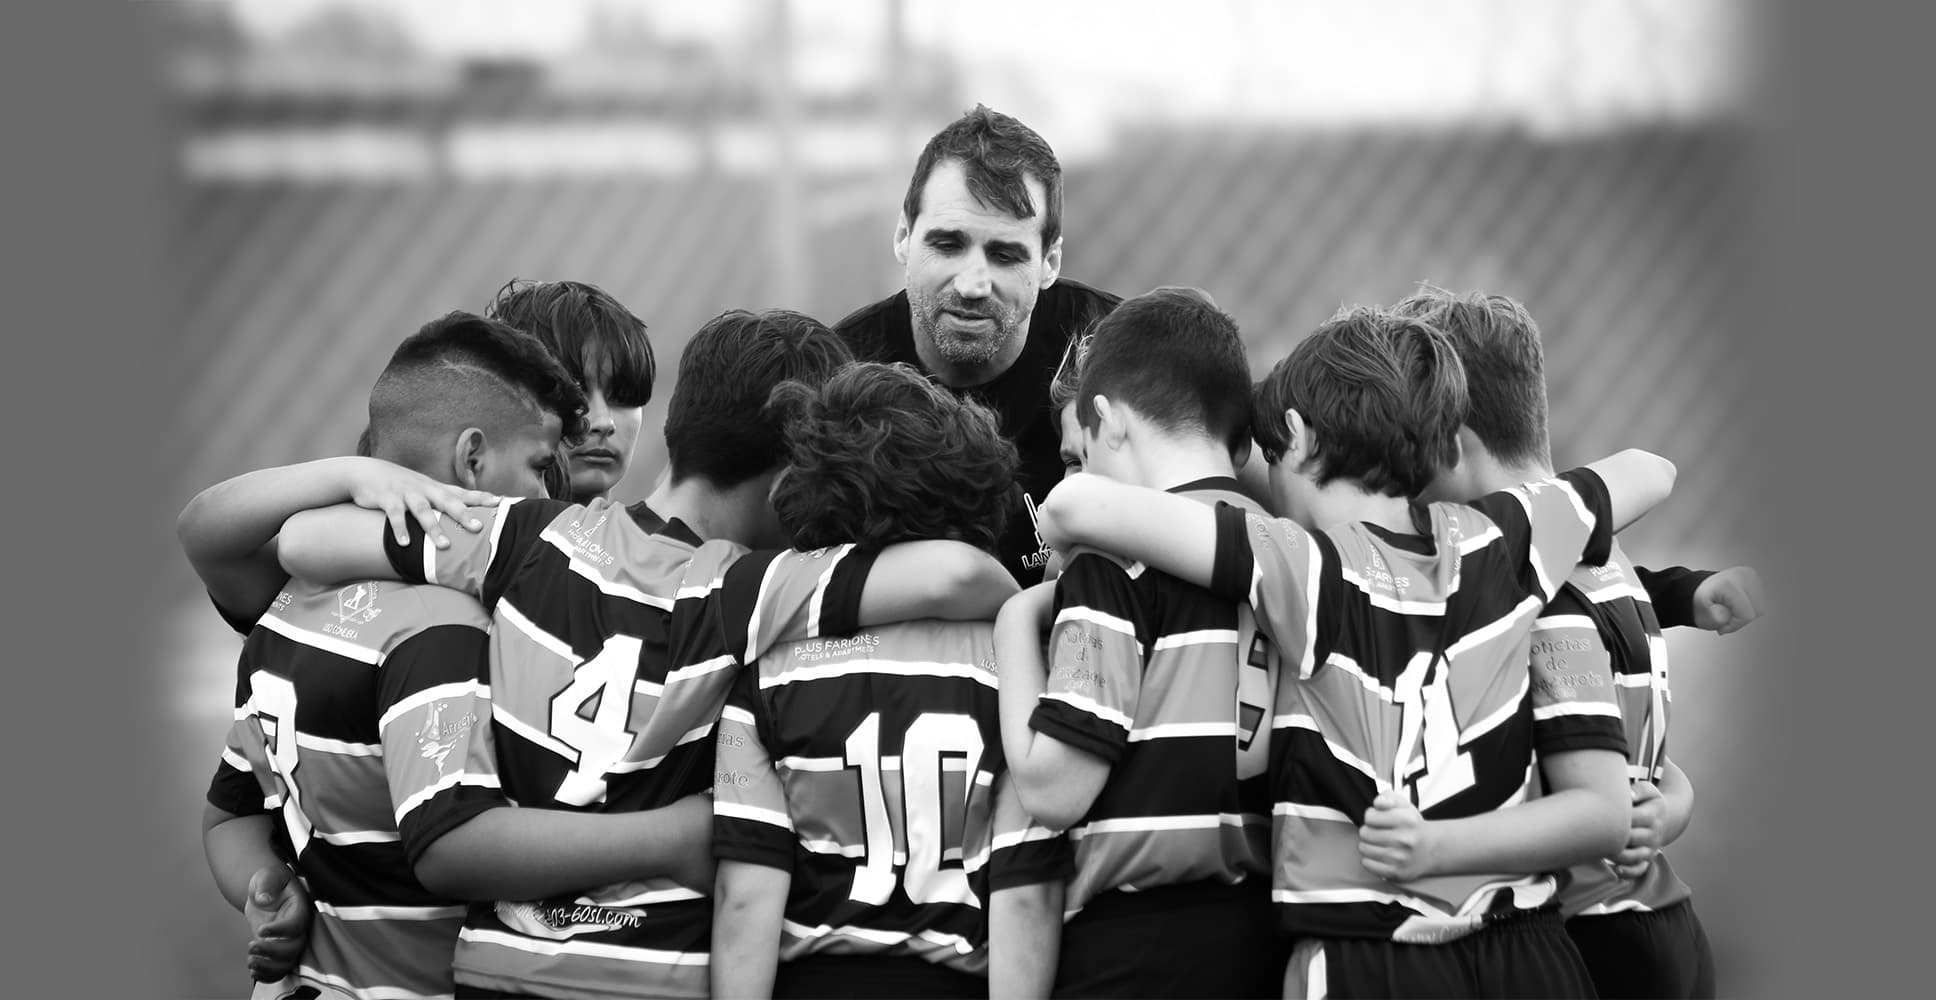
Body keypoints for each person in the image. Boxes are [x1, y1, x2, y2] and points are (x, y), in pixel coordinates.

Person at [275, 311, 1017, 999]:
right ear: (794, 476)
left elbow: (302, 541)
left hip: (499, 967)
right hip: (651, 975)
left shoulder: (528, 538)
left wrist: (391, 489)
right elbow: (955, 574)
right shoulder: (747, 591)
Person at [1031, 306, 1679, 998]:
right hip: (1526, 946)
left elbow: (1082, 508)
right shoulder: (1507, 538)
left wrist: (1044, 562)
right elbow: (1652, 469)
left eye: (1272, 462)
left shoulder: (1307, 568)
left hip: (1369, 952)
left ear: (1299, 438)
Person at [190, 312, 588, 998]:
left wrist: (265, 889)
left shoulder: (290, 605)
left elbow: (228, 817)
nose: (551, 493)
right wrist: (678, 838)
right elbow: (455, 849)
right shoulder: (446, 629)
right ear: (471, 460)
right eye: (541, 467)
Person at [1393, 286, 1740, 997]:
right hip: (1666, 919)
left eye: (1406, 449)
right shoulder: (1608, 564)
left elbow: (1591, 800)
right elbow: (1645, 781)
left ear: (1450, 445)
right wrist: (1674, 803)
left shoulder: (1529, 592)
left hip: (1594, 939)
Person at [710, 361, 1065, 999]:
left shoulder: (768, 674)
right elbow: (1026, 898)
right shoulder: (1016, 669)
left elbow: (746, 897)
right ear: (975, 495)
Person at [993, 288, 1282, 998]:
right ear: (1239, 441)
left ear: (1106, 422)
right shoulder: (1292, 550)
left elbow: (1054, 787)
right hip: (1272, 935)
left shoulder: (1113, 563)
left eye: (1079, 455)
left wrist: (1013, 623)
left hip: (1137, 947)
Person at [833, 104, 1121, 585]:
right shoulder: (838, 374)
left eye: (1005, 254)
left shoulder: (1120, 354)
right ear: (905, 236)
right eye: (947, 245)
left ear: (1049, 262)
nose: (972, 284)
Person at [486, 278, 656, 504]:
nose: (603, 423)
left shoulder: (666, 538)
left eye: (622, 396)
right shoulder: (440, 530)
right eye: (574, 393)